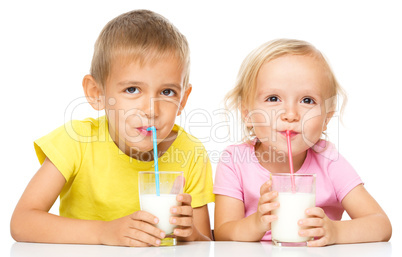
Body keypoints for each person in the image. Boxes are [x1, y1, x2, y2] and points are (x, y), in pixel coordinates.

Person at [11, 10, 214, 247]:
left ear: (183, 99)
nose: (151, 110)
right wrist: (104, 232)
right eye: (132, 90)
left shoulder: (191, 153)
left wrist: (189, 234)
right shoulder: (77, 141)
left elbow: (205, 243)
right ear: (97, 94)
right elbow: (22, 222)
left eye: (167, 92)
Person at [213, 39, 392, 246]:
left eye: (307, 100)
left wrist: (335, 231)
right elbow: (223, 232)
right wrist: (256, 223)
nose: (290, 114)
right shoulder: (235, 161)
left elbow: (381, 224)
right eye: (273, 98)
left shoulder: (329, 161)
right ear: (247, 114)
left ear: (326, 118)